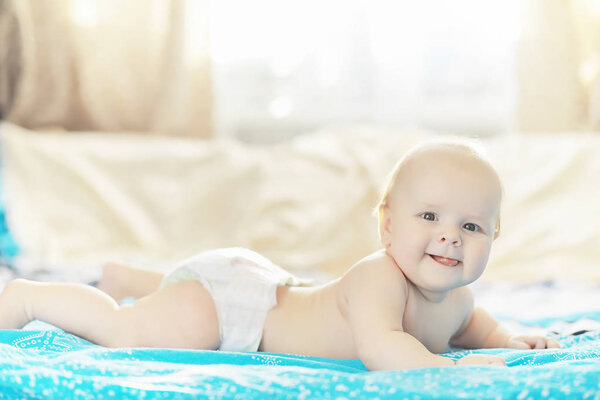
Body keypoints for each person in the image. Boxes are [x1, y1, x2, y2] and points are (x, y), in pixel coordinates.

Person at [0, 141, 560, 371]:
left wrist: (505, 341)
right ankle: (27, 297)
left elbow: (473, 325)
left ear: (494, 235)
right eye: (430, 218)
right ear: (387, 228)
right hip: (231, 311)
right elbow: (383, 350)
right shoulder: (378, 279)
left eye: (471, 226)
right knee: (129, 331)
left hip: (266, 291)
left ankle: (134, 278)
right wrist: (450, 373)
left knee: (166, 307)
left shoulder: (458, 297)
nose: (450, 238)